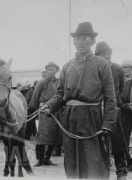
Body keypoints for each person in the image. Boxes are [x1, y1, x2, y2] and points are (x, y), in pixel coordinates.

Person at [42, 22, 117, 179]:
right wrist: (50, 105)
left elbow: (111, 97)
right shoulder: (67, 66)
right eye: (78, 39)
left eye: (85, 38)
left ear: (92, 41)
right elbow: (60, 94)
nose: (81, 42)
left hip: (92, 118)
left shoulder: (101, 64)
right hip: (69, 118)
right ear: (74, 42)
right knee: (71, 160)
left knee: (93, 160)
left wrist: (108, 124)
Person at [95, 41, 127, 180]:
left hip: (114, 109)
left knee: (118, 141)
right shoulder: (94, 68)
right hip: (97, 110)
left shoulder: (117, 69)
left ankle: (121, 172)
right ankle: (103, 171)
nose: (107, 56)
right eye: (104, 54)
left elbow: (120, 90)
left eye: (109, 53)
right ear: (98, 55)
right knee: (98, 142)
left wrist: (116, 105)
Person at [30, 61, 62, 167]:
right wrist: (39, 109)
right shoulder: (42, 82)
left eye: (53, 69)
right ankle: (39, 159)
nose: (51, 72)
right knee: (42, 135)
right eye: (49, 69)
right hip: (44, 111)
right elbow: (35, 97)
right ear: (46, 71)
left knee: (54, 136)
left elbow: (61, 96)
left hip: (55, 111)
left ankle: (47, 159)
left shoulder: (59, 82)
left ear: (56, 71)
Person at [120, 59, 132, 171]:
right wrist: (126, 107)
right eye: (124, 68)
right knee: (125, 137)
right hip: (125, 113)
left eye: (128, 68)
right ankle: (128, 161)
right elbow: (118, 98)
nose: (126, 71)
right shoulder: (120, 82)